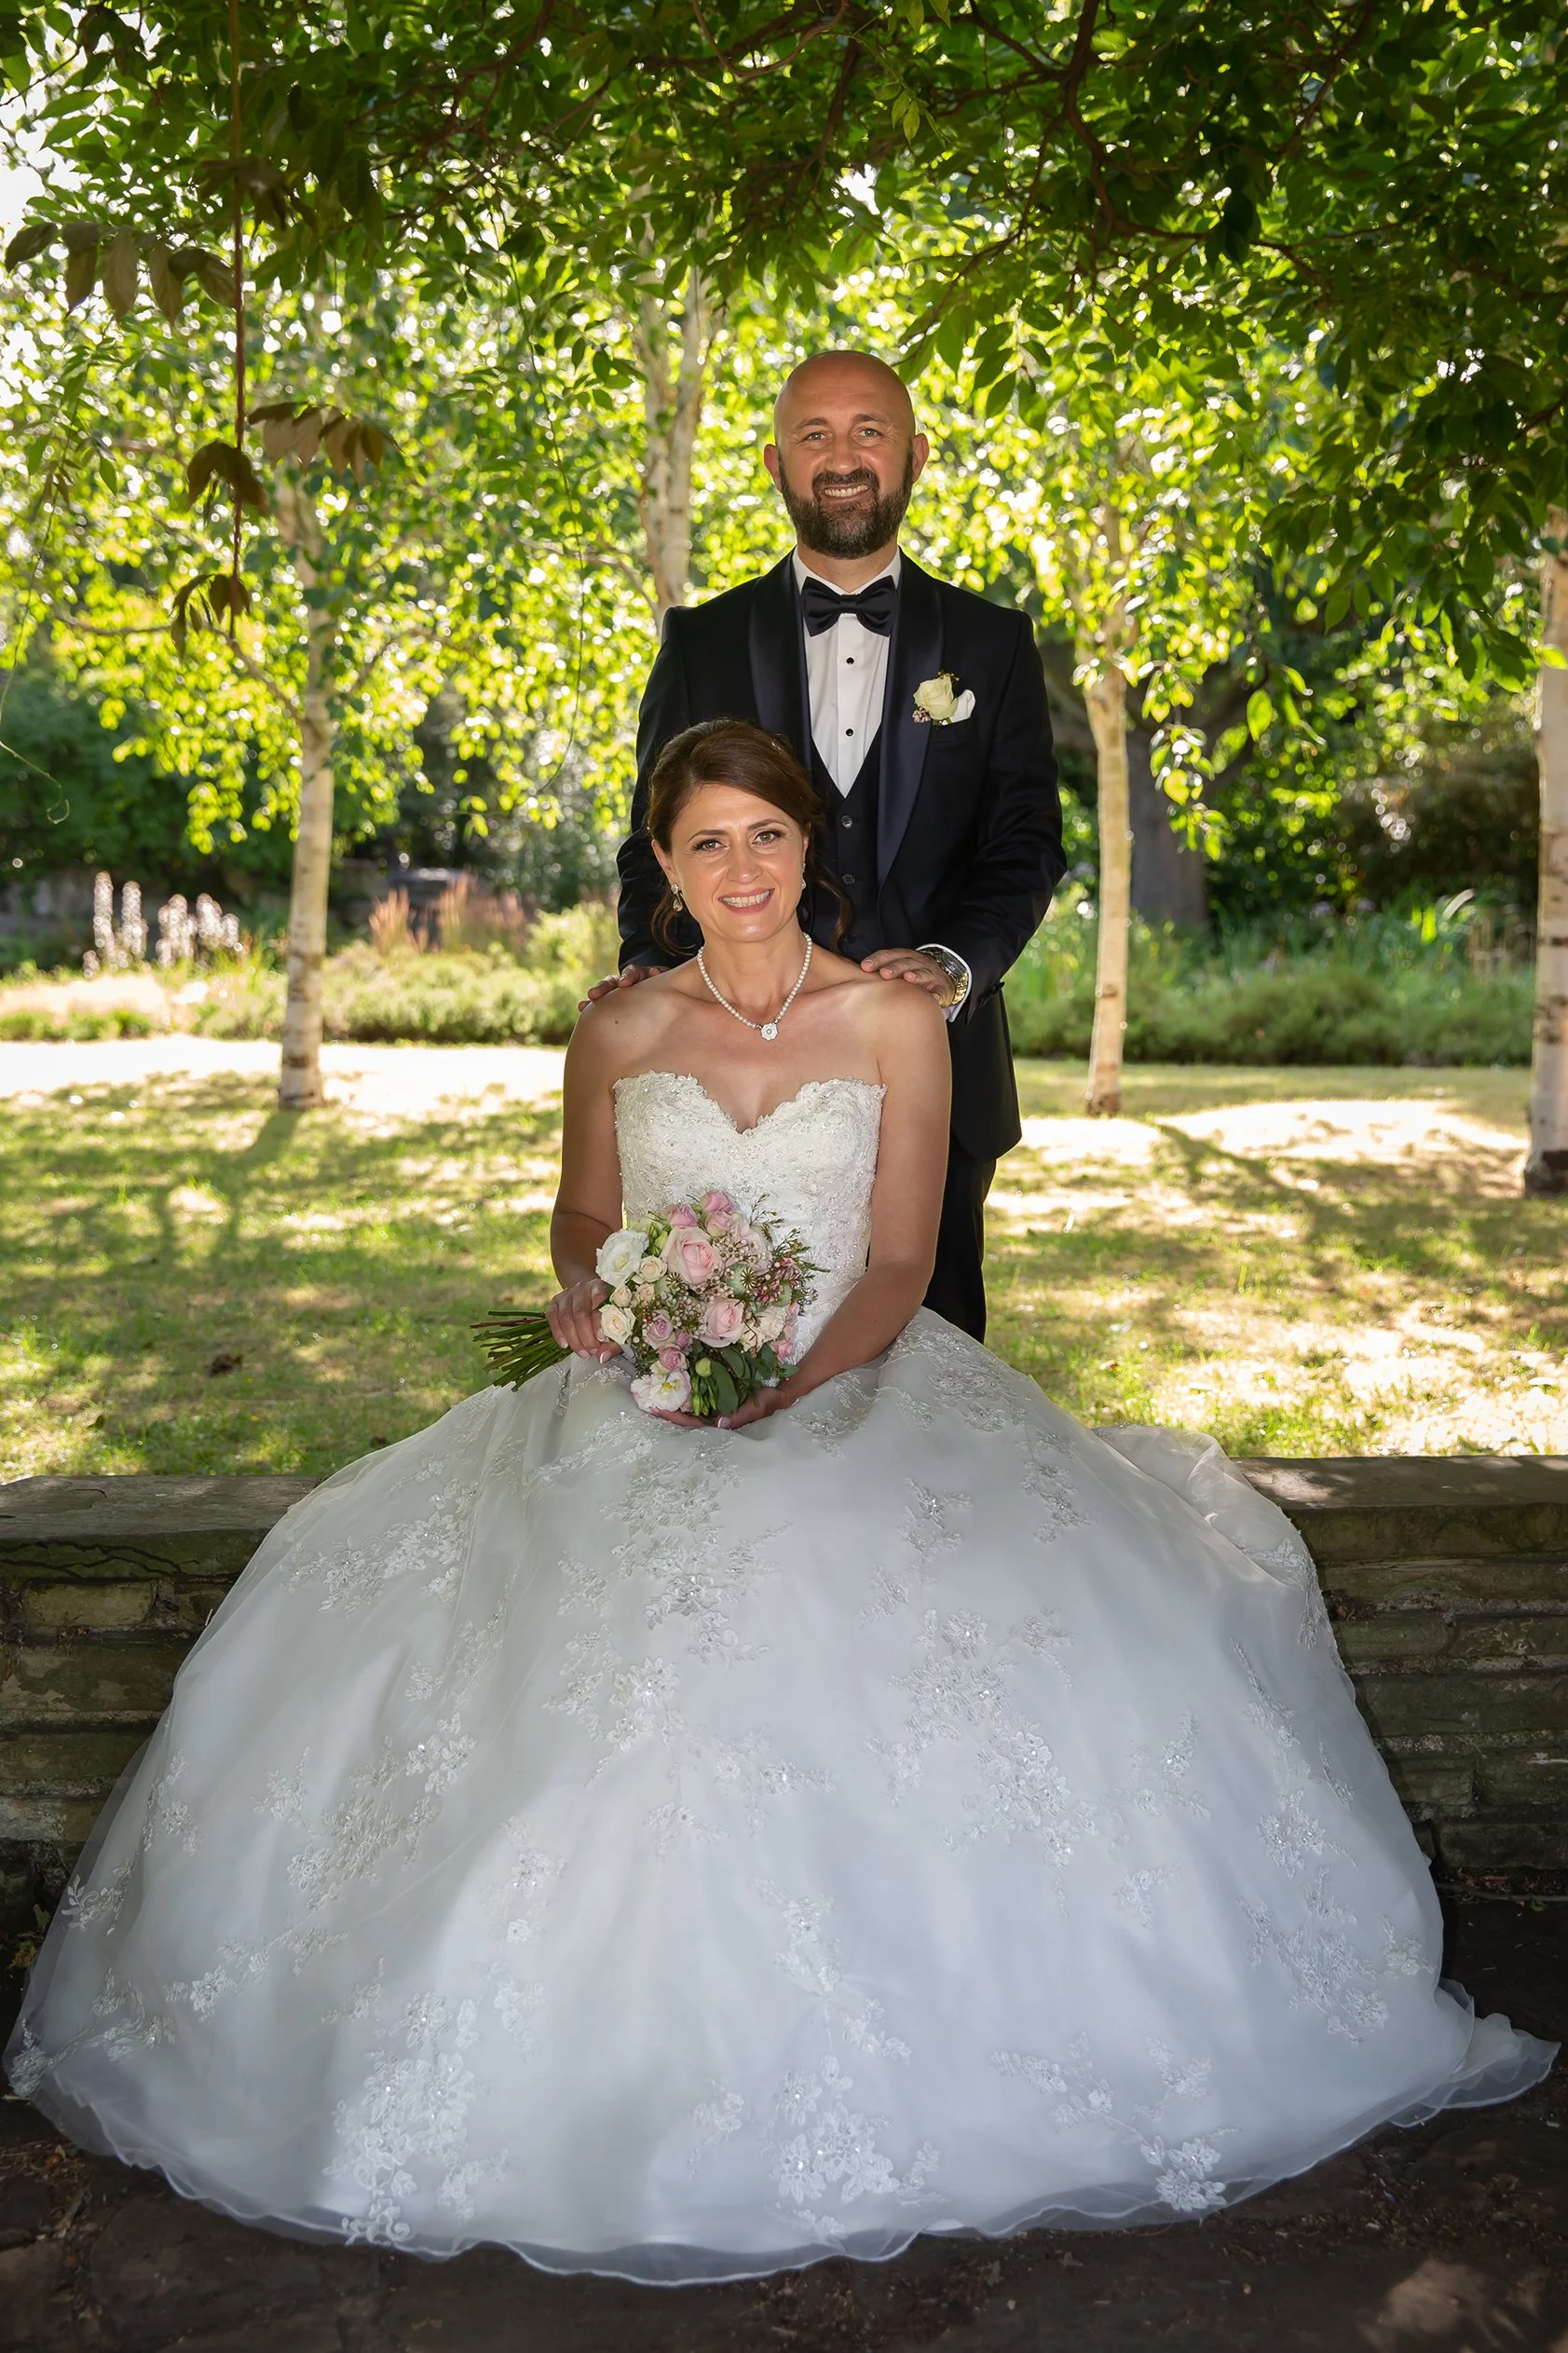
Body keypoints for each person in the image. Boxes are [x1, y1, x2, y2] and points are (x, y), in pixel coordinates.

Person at [7, 723, 1552, 2285]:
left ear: (810, 848)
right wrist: (585, 1297)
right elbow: (589, 1213)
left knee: (873, 1579)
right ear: (661, 869)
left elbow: (894, 1259)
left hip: (862, 1376)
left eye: (765, 837)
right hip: (642, 1390)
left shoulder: (894, 1015)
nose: (739, 872)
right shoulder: (618, 1028)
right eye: (704, 845)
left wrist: (793, 1396)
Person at [598, 348, 1065, 1344]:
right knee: (718, 1343)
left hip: (937, 1072)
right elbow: (653, 847)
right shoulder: (701, 643)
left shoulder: (993, 645)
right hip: (735, 1085)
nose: (842, 456)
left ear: (915, 457)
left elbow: (1025, 846)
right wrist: (649, 972)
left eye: (869, 432)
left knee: (932, 1377)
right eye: (814, 434)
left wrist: (952, 968)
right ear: (774, 464)